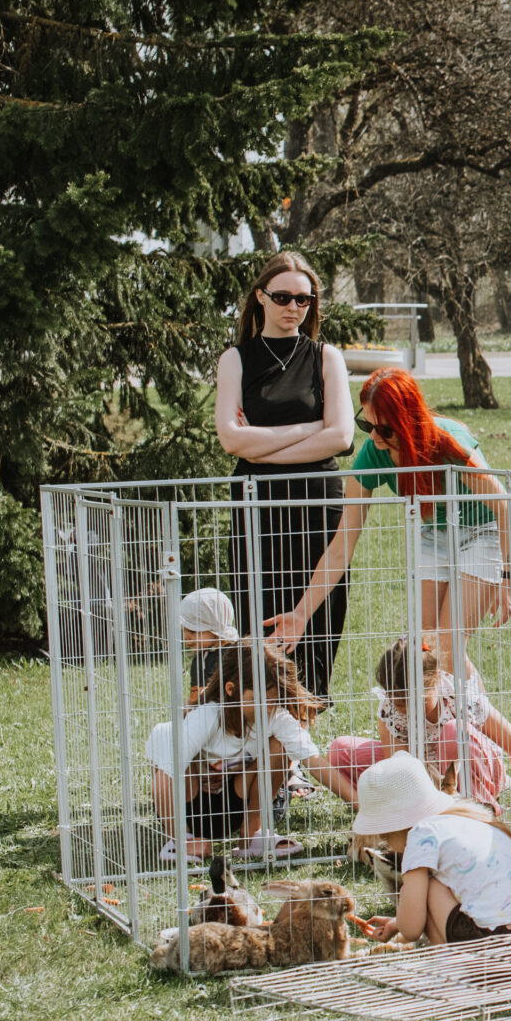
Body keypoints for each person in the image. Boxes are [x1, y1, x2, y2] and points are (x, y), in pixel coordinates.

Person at [268, 367, 511, 651]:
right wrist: (301, 613)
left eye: (385, 429)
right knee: (427, 649)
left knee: (448, 647)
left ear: (408, 422)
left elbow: (504, 504)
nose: (374, 437)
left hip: (481, 533)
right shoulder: (373, 455)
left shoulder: (449, 444)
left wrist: (507, 577)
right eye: (367, 425)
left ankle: (464, 684)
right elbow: (341, 546)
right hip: (434, 534)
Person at [213, 252, 356, 694]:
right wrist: (311, 428)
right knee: (261, 620)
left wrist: (261, 446)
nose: (293, 307)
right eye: (282, 297)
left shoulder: (326, 357)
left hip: (318, 506)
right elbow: (231, 440)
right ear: (261, 297)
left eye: (303, 299)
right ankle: (264, 717)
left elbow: (341, 436)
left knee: (318, 619)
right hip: (258, 506)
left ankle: (306, 717)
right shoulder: (235, 360)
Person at [315, 636, 511, 827]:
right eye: (401, 704)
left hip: (471, 767)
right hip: (422, 768)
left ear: (436, 680)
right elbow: (400, 768)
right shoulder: (389, 709)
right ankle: (384, 815)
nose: (409, 711)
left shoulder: (460, 697)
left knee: (453, 731)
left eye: (418, 703)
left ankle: (475, 812)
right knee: (339, 751)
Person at [146, 642, 333, 861]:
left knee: (280, 745)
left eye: (272, 701)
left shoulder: (273, 716)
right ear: (231, 690)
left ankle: (251, 835)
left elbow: (314, 761)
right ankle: (178, 843)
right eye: (258, 700)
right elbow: (162, 780)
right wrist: (180, 838)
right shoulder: (207, 716)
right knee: (171, 741)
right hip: (191, 809)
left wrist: (361, 807)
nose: (266, 708)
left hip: (233, 808)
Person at [353, 755, 511, 945]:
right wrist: (396, 923)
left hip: (499, 943)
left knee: (430, 887)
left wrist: (404, 916)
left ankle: (449, 968)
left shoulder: (420, 833)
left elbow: (412, 929)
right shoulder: (470, 819)